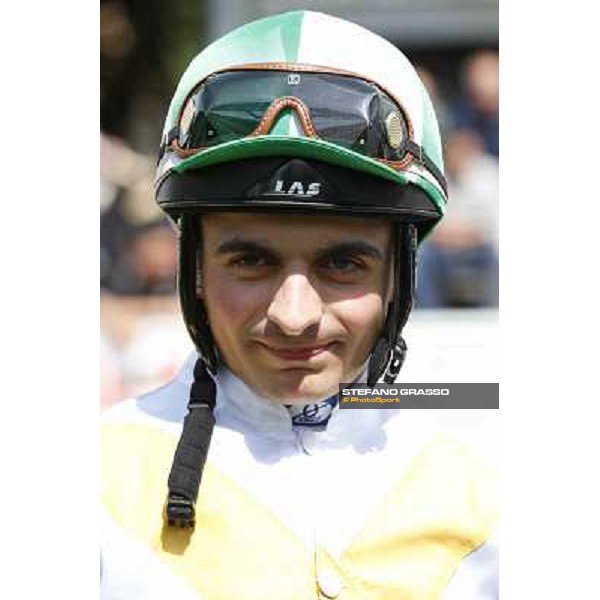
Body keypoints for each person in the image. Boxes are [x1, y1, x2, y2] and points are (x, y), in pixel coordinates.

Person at [101, 11, 498, 599]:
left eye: (342, 265)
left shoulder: (504, 451)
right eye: (250, 262)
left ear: (401, 272)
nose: (294, 315)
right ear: (196, 268)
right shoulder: (90, 475)